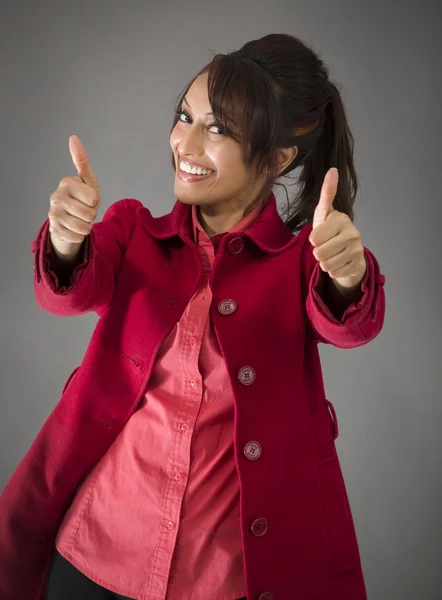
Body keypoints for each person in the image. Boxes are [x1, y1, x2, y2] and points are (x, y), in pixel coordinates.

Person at [0, 32, 386, 600]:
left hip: (223, 577)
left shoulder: (301, 261)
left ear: (278, 157)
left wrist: (348, 273)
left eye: (219, 128)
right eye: (185, 116)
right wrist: (63, 237)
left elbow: (348, 324)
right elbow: (68, 293)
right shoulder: (135, 231)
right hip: (93, 556)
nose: (185, 142)